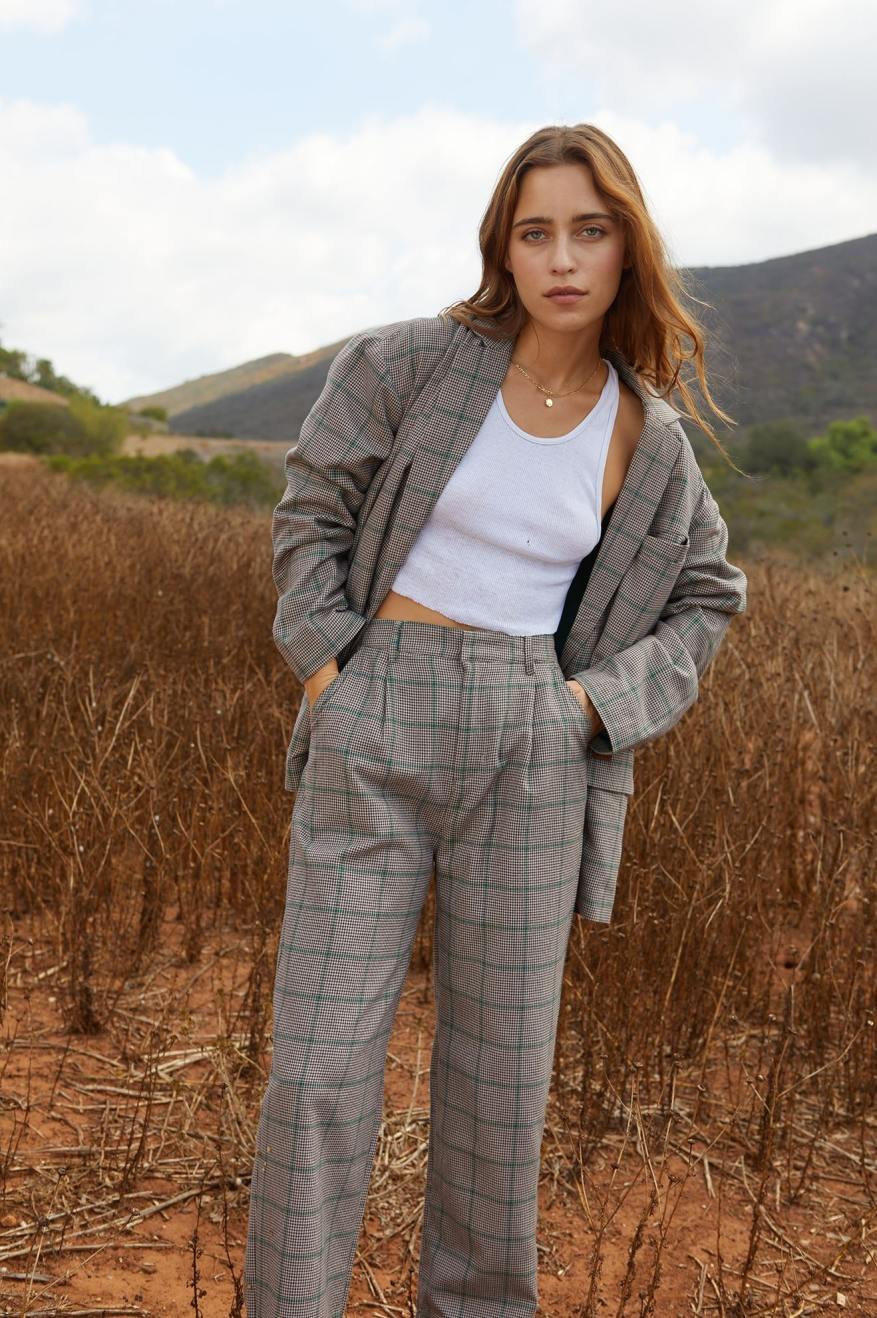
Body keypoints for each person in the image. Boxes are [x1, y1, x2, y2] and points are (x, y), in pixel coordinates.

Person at [244, 122, 748, 1317]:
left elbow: (709, 594)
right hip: (377, 710)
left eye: (589, 230)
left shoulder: (647, 437)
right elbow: (310, 510)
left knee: (498, 1090)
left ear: (627, 247)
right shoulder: (405, 364)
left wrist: (591, 706)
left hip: (535, 742)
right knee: (316, 1070)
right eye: (536, 233)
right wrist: (331, 667)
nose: (562, 258)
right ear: (502, 249)